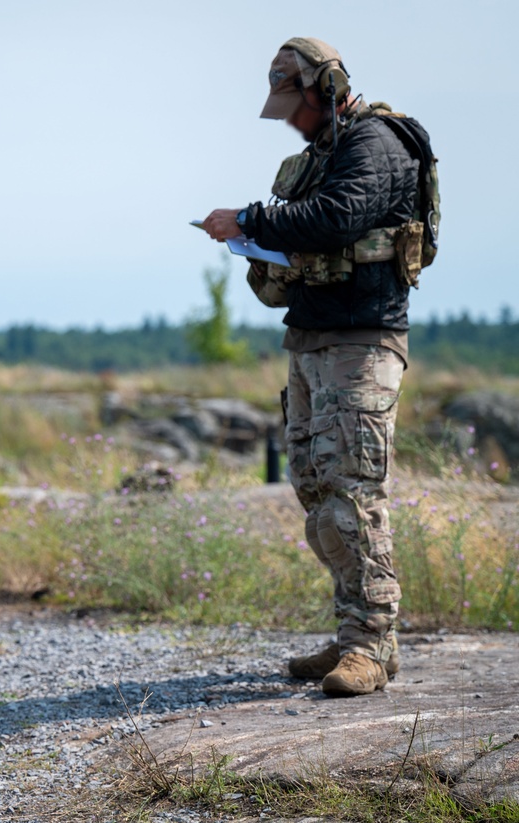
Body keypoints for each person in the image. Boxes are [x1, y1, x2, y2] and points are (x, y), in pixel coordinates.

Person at [201, 38, 430, 696]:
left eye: (295, 105)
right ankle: (354, 628)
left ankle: (371, 644)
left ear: (324, 87)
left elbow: (337, 217)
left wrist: (250, 218)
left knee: (354, 494)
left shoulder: (374, 144)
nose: (292, 119)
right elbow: (309, 226)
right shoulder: (320, 155)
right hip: (310, 340)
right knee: (317, 491)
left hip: (361, 343)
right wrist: (258, 239)